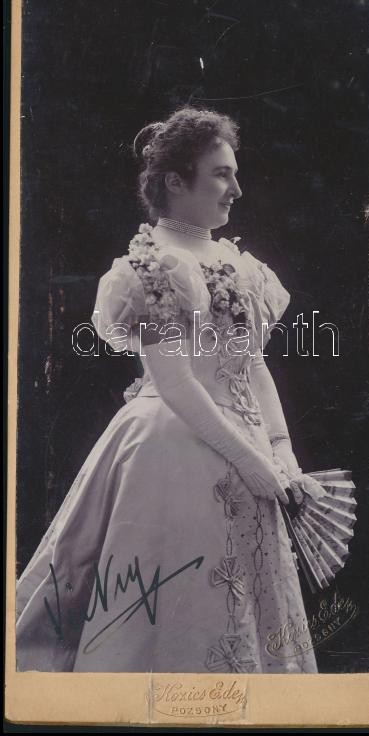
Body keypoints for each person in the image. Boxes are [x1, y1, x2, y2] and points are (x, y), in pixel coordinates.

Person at [16, 106, 327, 674]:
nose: (237, 189)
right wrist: (251, 459)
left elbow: (252, 364)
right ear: (175, 182)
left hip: (251, 450)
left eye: (234, 174)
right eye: (221, 174)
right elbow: (175, 380)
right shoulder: (150, 267)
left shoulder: (237, 262)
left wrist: (281, 450)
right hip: (171, 445)